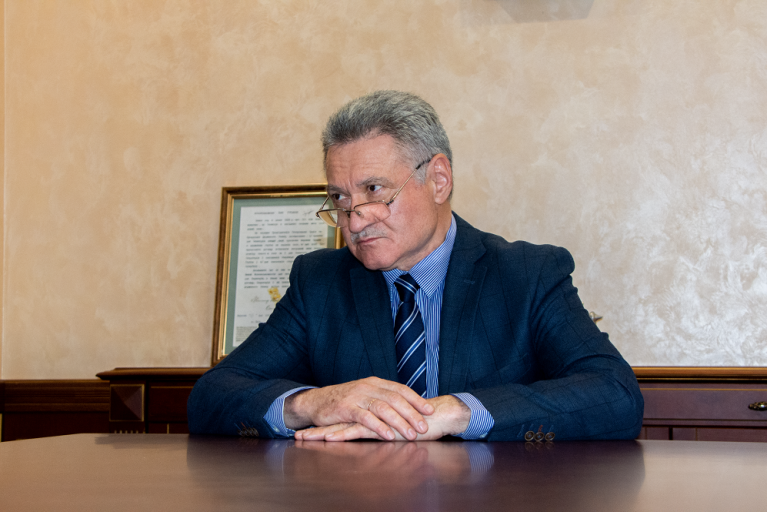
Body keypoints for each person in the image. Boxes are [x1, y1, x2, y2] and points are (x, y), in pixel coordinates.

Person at [187, 90, 644, 441]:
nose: (354, 220)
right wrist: (311, 404)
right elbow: (212, 396)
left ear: (438, 180)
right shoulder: (319, 283)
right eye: (340, 198)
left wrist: (458, 412)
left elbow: (616, 394)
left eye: (374, 190)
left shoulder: (527, 274)